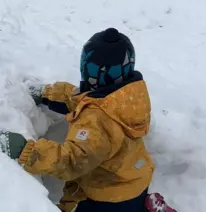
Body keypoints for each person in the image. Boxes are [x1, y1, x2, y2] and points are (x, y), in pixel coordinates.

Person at [0, 28, 175, 212]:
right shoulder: (127, 97)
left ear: (100, 73)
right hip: (134, 179)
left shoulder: (97, 121)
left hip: (110, 199)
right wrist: (46, 94)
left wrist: (25, 151)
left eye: (90, 68)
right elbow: (79, 97)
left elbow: (71, 161)